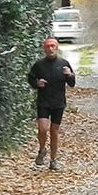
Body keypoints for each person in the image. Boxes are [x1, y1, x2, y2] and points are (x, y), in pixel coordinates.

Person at [27, 37, 75, 170]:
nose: (50, 49)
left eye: (53, 46)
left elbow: (72, 83)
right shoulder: (39, 65)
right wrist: (37, 83)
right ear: (44, 49)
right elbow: (30, 78)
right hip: (43, 101)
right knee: (42, 129)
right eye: (48, 46)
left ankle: (53, 160)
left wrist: (70, 75)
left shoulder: (64, 63)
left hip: (58, 102)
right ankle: (42, 150)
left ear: (57, 47)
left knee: (54, 131)